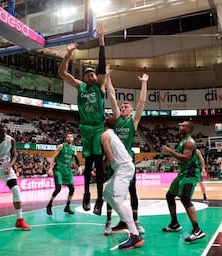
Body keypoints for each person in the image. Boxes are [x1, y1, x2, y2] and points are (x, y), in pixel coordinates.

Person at [58, 22, 107, 215]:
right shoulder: (80, 86)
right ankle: (87, 194)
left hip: (98, 127)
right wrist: (68, 54)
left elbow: (102, 66)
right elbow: (62, 73)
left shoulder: (100, 86)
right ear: (84, 77)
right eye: (87, 74)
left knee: (97, 161)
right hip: (85, 128)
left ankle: (100, 199)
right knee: (87, 165)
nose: (90, 76)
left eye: (92, 73)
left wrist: (101, 40)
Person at [103, 66, 148, 235]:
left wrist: (144, 83)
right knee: (109, 191)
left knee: (132, 191)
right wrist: (107, 78)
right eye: (122, 106)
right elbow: (112, 96)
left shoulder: (133, 121)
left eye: (126, 106)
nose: (122, 107)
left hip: (127, 159)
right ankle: (109, 221)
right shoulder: (116, 119)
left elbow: (142, 102)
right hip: (113, 159)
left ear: (131, 111)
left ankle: (135, 221)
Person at [101, 115, 144, 250]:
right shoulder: (112, 134)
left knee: (118, 200)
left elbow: (110, 157)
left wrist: (101, 167)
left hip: (124, 169)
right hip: (122, 168)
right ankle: (124, 221)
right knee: (106, 192)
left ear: (104, 123)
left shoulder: (105, 135)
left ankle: (135, 235)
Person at [161, 121, 205, 243]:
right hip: (182, 173)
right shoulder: (182, 141)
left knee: (185, 198)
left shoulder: (189, 142)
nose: (180, 127)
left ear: (189, 129)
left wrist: (170, 151)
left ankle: (197, 230)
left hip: (190, 173)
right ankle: (174, 223)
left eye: (184, 126)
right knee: (170, 196)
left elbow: (185, 159)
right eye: (180, 125)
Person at [46, 133, 81, 215]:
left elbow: (76, 159)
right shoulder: (61, 146)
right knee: (58, 189)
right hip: (58, 169)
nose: (69, 138)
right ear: (66, 138)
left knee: (72, 189)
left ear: (73, 139)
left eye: (71, 137)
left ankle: (67, 207)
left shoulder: (73, 148)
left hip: (67, 170)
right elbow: (54, 157)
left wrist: (79, 167)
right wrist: (50, 169)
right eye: (68, 137)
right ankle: (49, 205)